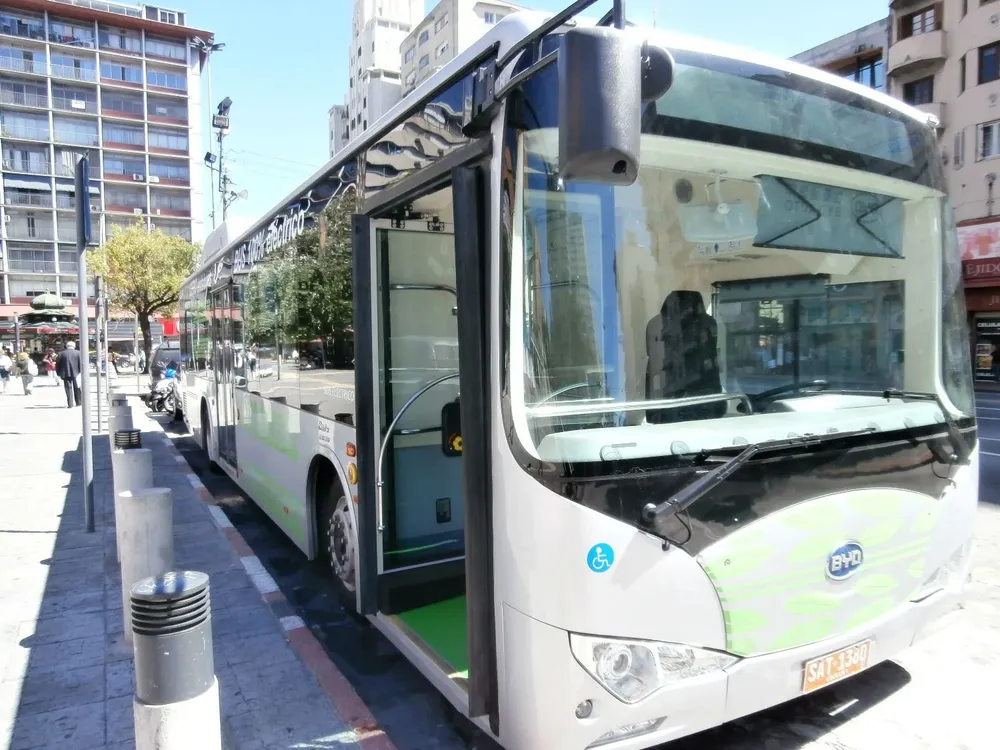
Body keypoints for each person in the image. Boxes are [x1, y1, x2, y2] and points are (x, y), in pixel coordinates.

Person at [55, 341, 82, 408]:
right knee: (77, 387)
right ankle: (78, 402)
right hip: (77, 373)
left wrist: (58, 372)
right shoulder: (78, 353)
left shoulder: (61, 353)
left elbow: (57, 364)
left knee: (68, 388)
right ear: (74, 346)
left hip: (65, 373)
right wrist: (81, 372)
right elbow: (81, 363)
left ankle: (70, 404)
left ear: (66, 346)